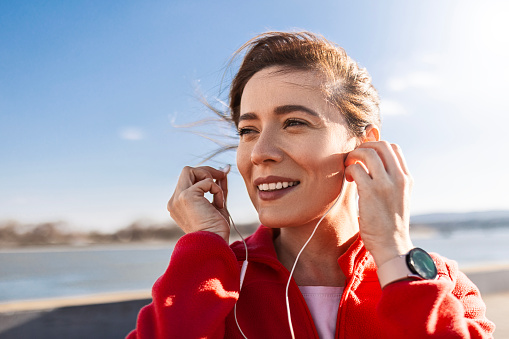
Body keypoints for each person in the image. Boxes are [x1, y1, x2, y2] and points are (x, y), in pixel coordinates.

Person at [127, 31, 495, 338]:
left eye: (294, 123)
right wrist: (204, 244)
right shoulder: (214, 279)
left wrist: (396, 255)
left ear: (364, 145)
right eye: (248, 131)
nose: (260, 153)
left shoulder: (438, 282)